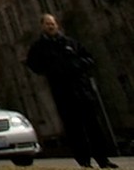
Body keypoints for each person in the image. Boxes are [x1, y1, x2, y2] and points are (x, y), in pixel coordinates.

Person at [26, 13, 117, 169]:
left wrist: (78, 65)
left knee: (93, 126)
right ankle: (84, 161)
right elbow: (33, 64)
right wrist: (51, 70)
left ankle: (103, 159)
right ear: (42, 26)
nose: (50, 26)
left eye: (52, 23)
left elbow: (89, 58)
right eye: (47, 24)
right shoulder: (39, 47)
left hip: (82, 89)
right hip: (63, 92)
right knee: (75, 129)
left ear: (57, 25)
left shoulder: (70, 43)